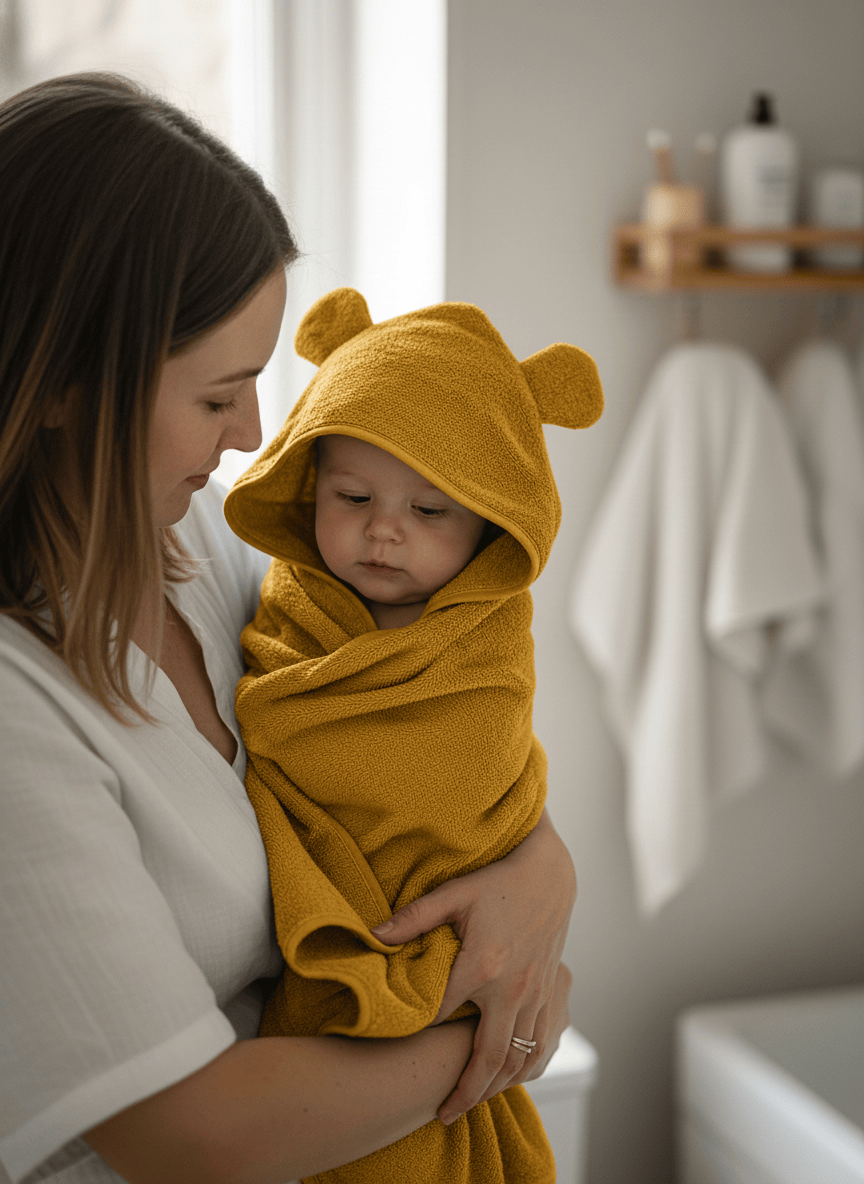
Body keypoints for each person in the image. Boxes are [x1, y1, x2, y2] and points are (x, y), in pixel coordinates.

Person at [0, 74, 576, 1184]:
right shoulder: (17, 706)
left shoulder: (191, 541)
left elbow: (410, 744)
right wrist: (496, 1027)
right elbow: (192, 1134)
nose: (254, 432)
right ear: (62, 383)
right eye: (219, 398)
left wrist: (542, 870)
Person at [224, 288, 604, 1182]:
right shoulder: (288, 609)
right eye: (353, 495)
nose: (384, 530)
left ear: (492, 524)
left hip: (450, 949)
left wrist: (542, 859)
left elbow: (491, 774)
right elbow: (285, 726)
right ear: (308, 482)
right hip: (331, 1020)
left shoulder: (485, 647)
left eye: (431, 511)